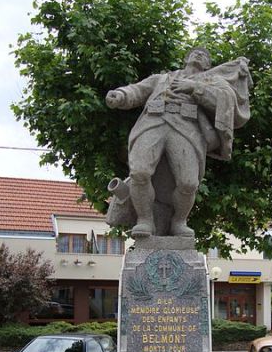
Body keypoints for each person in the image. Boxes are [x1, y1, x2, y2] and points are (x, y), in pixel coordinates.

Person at [106, 47, 252, 238]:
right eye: (195, 52)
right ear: (186, 58)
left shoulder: (213, 81)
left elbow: (227, 102)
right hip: (153, 122)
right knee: (139, 172)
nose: (199, 55)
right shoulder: (162, 78)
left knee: (189, 183)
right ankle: (145, 220)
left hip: (186, 129)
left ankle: (179, 221)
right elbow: (137, 90)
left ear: (208, 64)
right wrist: (121, 95)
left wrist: (194, 88)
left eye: (205, 55)